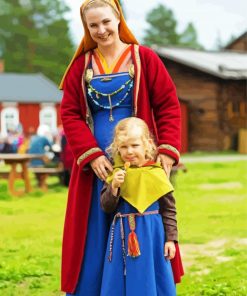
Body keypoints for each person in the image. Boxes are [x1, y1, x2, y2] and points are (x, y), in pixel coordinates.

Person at [60, 0, 182, 294]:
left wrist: (165, 151)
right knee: (95, 228)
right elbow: (70, 114)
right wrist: (90, 155)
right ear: (86, 28)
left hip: (138, 160)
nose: (101, 30)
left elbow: (168, 106)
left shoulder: (145, 59)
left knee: (139, 222)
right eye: (93, 25)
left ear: (118, 20)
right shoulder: (81, 66)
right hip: (97, 167)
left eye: (105, 22)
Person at [100, 117, 180, 295]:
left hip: (152, 234)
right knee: (121, 277)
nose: (129, 151)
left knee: (150, 276)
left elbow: (169, 210)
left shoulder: (157, 174)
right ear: (117, 148)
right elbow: (106, 207)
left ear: (147, 145)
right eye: (123, 147)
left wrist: (170, 239)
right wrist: (114, 187)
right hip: (123, 233)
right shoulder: (116, 174)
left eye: (135, 145)